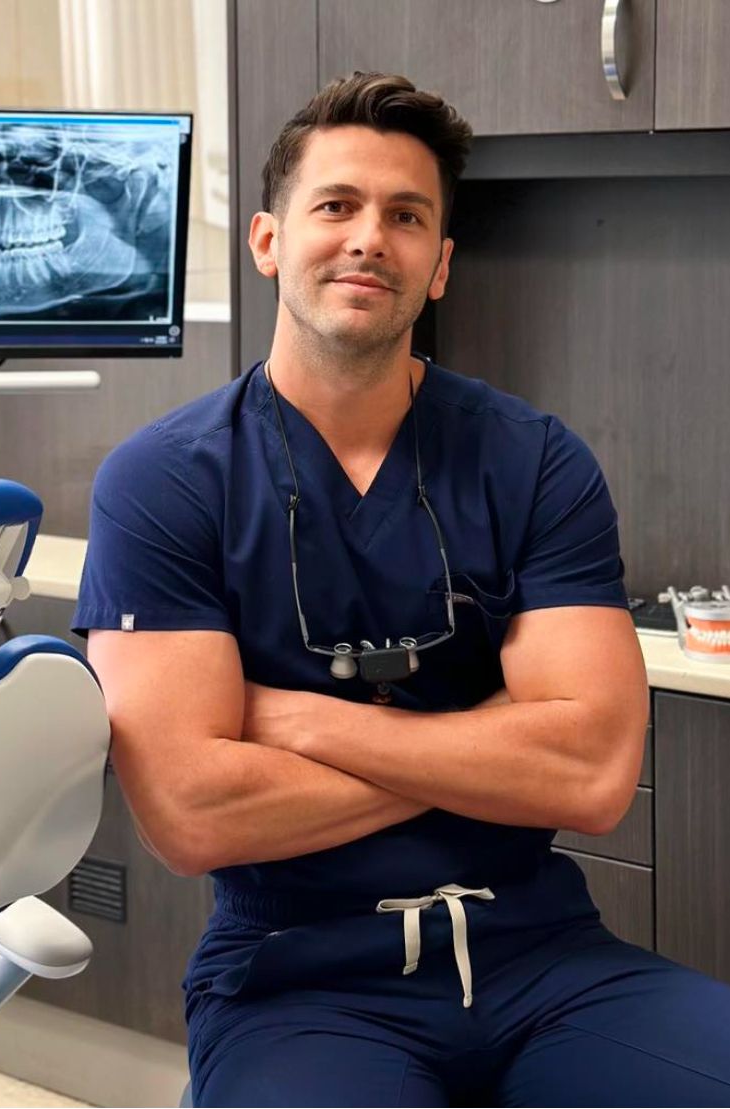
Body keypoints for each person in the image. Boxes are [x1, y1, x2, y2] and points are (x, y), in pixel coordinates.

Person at [71, 73, 730, 1106]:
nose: (370, 237)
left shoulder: (533, 460)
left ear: (440, 267)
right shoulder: (166, 479)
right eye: (335, 205)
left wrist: (292, 721)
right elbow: (193, 812)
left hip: (540, 950)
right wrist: (496, 737)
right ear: (267, 242)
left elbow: (595, 775)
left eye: (406, 216)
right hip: (296, 978)